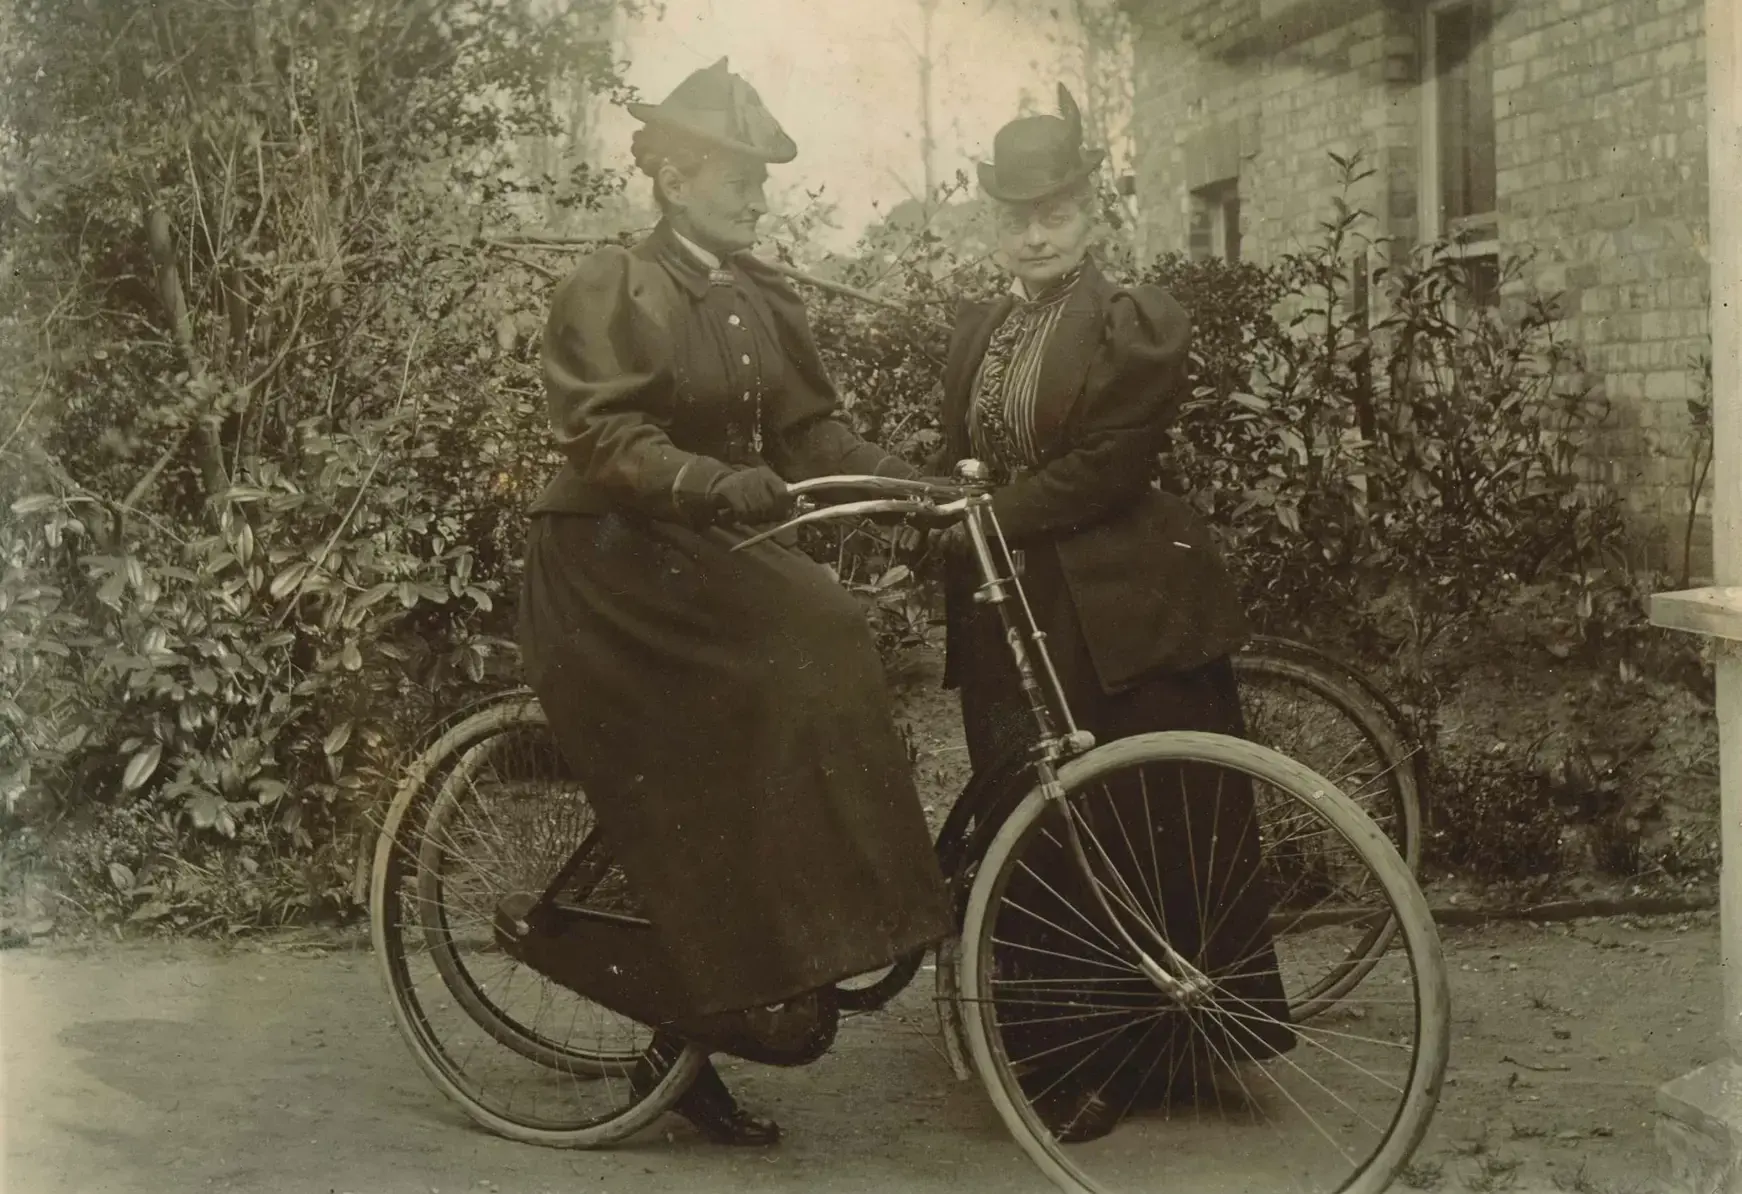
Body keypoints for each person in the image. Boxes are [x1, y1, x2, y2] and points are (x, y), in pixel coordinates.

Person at [516, 59, 953, 1147]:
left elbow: (811, 436)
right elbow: (607, 441)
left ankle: (794, 944)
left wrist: (914, 486)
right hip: (612, 555)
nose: (758, 192)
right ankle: (774, 955)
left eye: (762, 175)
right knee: (821, 628)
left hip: (701, 547)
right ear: (671, 179)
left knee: (809, 654)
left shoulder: (757, 293)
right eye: (737, 174)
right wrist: (710, 483)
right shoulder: (614, 285)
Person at [931, 86, 1298, 1142]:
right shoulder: (981, 330)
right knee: (1032, 824)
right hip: (1011, 605)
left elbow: (1107, 466)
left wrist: (986, 516)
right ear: (991, 221)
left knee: (1130, 821)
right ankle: (1059, 1050)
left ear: (1090, 211)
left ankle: (1147, 1052)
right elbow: (963, 455)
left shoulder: (1130, 323)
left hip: (1115, 606)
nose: (1033, 231)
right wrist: (951, 510)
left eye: (1052, 209)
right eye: (1014, 213)